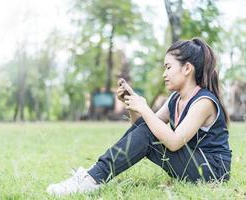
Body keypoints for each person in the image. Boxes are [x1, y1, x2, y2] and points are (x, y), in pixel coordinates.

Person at [46, 38, 232, 196]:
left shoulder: (204, 102)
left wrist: (144, 108)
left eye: (168, 67)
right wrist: (133, 105)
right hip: (193, 162)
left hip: (213, 171)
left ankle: (93, 178)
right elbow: (142, 130)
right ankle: (95, 174)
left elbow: (173, 142)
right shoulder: (175, 99)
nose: (164, 74)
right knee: (148, 130)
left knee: (150, 131)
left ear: (187, 69)